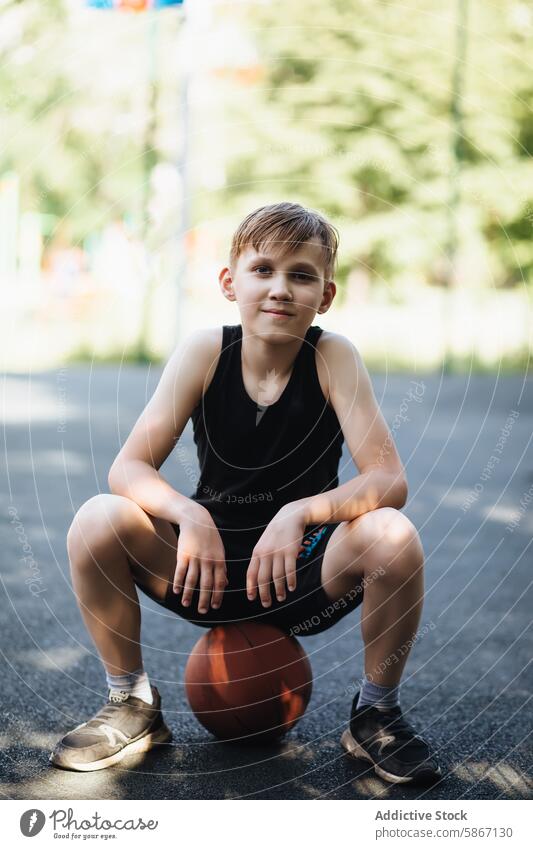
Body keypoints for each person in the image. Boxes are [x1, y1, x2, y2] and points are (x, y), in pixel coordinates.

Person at [50, 202, 441, 784]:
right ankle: (130, 704)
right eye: (263, 270)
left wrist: (300, 512)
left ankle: (376, 712)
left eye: (302, 275)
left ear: (325, 296)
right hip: (208, 572)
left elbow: (389, 481)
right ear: (230, 283)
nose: (281, 289)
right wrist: (190, 516)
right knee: (97, 520)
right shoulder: (205, 351)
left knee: (392, 534)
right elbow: (128, 468)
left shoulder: (333, 356)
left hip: (304, 576)